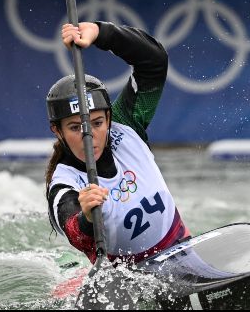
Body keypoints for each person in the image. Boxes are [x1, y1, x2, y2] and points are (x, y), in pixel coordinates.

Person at [45, 21, 190, 264]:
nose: (88, 135)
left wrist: (102, 33)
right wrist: (87, 218)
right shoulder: (64, 182)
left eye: (98, 123)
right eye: (74, 127)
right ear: (56, 131)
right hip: (129, 282)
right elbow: (73, 231)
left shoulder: (127, 126)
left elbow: (154, 62)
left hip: (180, 252)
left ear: (109, 118)